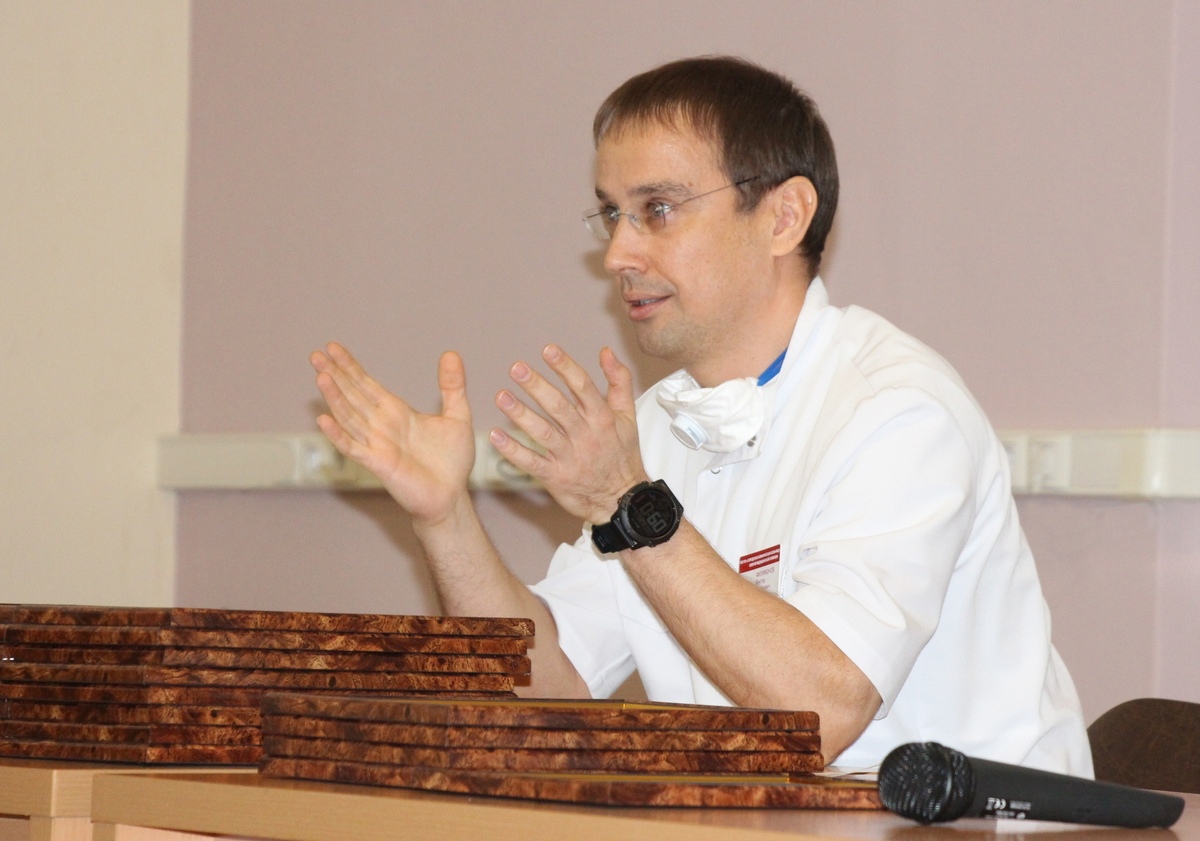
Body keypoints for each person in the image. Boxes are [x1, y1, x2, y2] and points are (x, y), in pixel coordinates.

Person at [311, 56, 1092, 774]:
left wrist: (631, 506)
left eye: (657, 209)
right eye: (612, 214)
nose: (618, 255)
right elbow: (548, 684)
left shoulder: (897, 412)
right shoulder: (657, 425)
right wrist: (444, 515)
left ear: (784, 217)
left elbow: (819, 715)